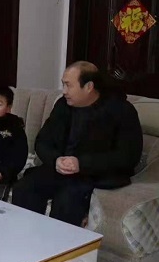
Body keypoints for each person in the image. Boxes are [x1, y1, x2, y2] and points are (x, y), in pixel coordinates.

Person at [12, 61, 143, 226]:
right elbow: (42, 141)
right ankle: (24, 235)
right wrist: (56, 160)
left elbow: (128, 156)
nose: (64, 91)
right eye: (63, 85)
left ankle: (61, 241)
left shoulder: (121, 110)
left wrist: (81, 163)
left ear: (89, 86)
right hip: (60, 169)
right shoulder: (63, 105)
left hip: (95, 172)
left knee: (67, 199)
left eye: (68, 85)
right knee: (25, 187)